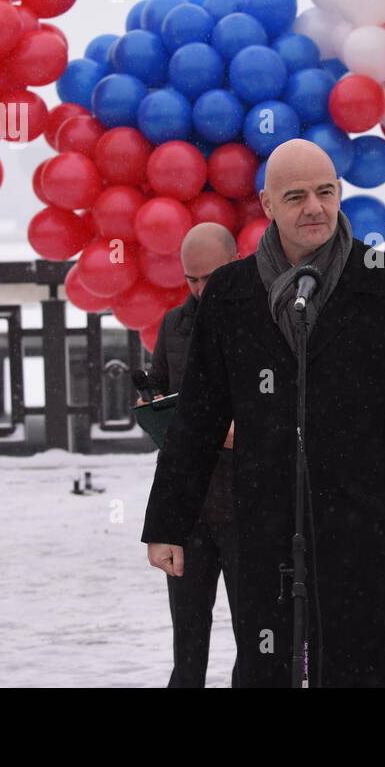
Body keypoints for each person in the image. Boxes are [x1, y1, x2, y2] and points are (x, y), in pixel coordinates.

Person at [142, 139, 385, 687]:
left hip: (369, 525)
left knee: (369, 668)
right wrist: (168, 523)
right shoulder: (229, 294)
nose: (314, 207)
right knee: (270, 666)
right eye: (296, 196)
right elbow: (197, 419)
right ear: (267, 206)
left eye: (325, 192)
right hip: (267, 527)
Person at [138, 223, 239, 687]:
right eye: (190, 280)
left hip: (247, 505)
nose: (199, 290)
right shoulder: (173, 325)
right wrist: (151, 405)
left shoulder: (261, 319)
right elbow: (159, 382)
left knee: (259, 638)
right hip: (188, 506)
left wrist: (253, 429)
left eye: (208, 278)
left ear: (236, 264)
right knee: (188, 638)